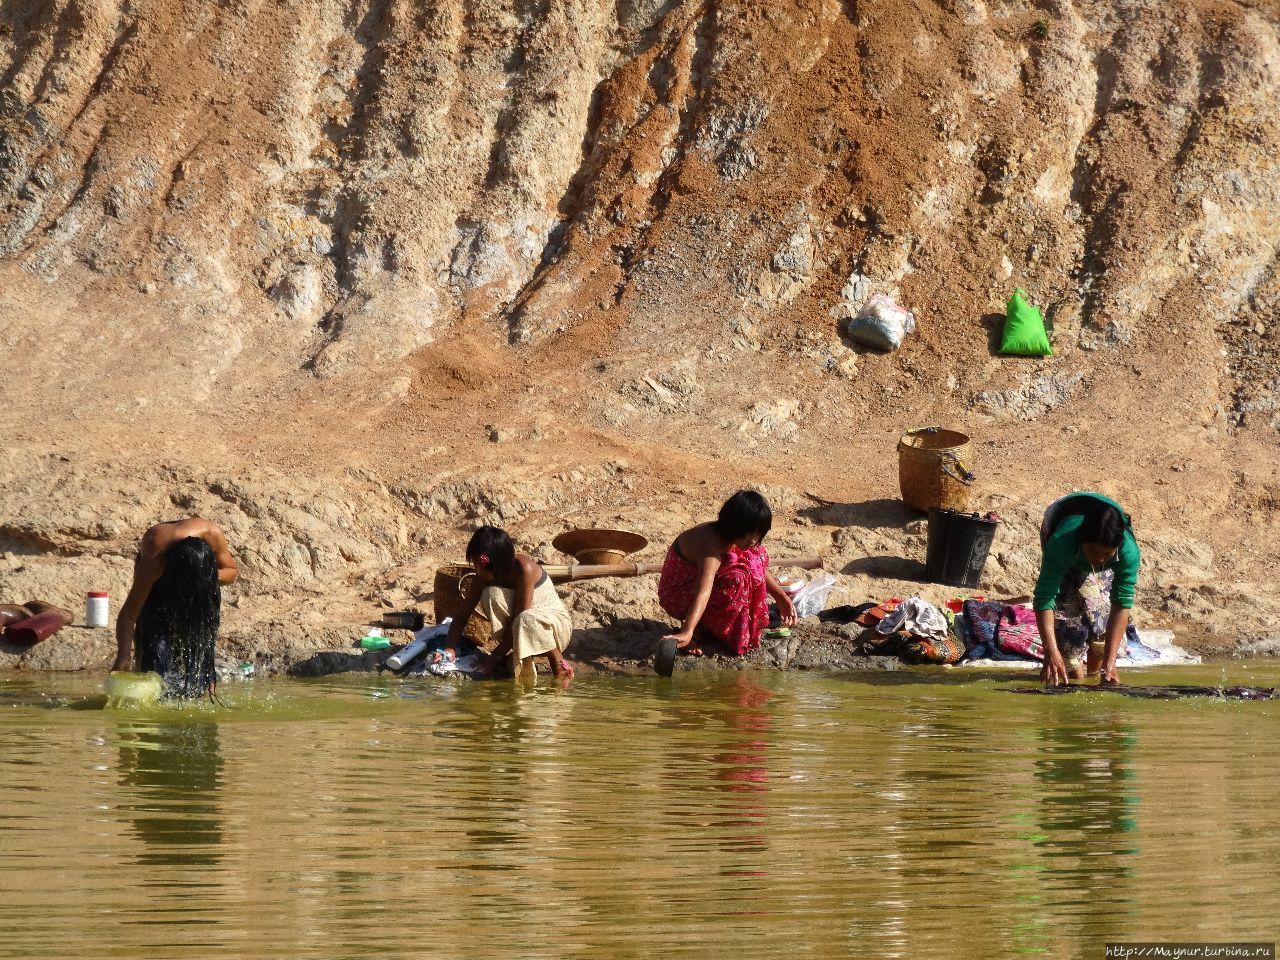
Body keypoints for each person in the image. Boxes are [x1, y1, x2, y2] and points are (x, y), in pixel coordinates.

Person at [658, 490, 797, 656]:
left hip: (697, 586)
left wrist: (781, 597)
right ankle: (697, 629)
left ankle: (704, 625)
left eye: (757, 535)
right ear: (735, 528)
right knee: (736, 580)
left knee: (755, 556)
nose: (752, 541)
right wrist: (687, 631)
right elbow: (703, 591)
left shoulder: (732, 537)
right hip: (677, 595)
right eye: (748, 537)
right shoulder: (711, 548)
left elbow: (757, 568)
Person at [113, 518, 237, 698]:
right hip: (159, 591)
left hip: (203, 579)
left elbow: (231, 571)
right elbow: (129, 614)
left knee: (199, 656)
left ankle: (203, 689)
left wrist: (205, 576)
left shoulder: (211, 533)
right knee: (154, 659)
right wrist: (123, 656)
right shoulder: (154, 562)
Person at [1034, 493, 1141, 687]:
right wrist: (1051, 651)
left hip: (1094, 545)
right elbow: (1045, 596)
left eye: (1107, 554)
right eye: (1092, 551)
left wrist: (1111, 662)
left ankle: (1098, 676)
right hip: (1060, 523)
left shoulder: (1128, 552)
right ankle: (1073, 677)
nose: (1099, 560)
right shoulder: (1061, 543)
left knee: (1100, 621)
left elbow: (1122, 601)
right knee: (1070, 631)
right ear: (1082, 541)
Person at [446, 526, 574, 680]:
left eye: (477, 565)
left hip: (555, 627)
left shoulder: (523, 568)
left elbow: (521, 618)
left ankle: (557, 662)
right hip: (522, 626)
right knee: (491, 594)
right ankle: (518, 654)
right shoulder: (482, 577)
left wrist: (495, 656)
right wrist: (449, 650)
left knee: (525, 619)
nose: (476, 569)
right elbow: (461, 616)